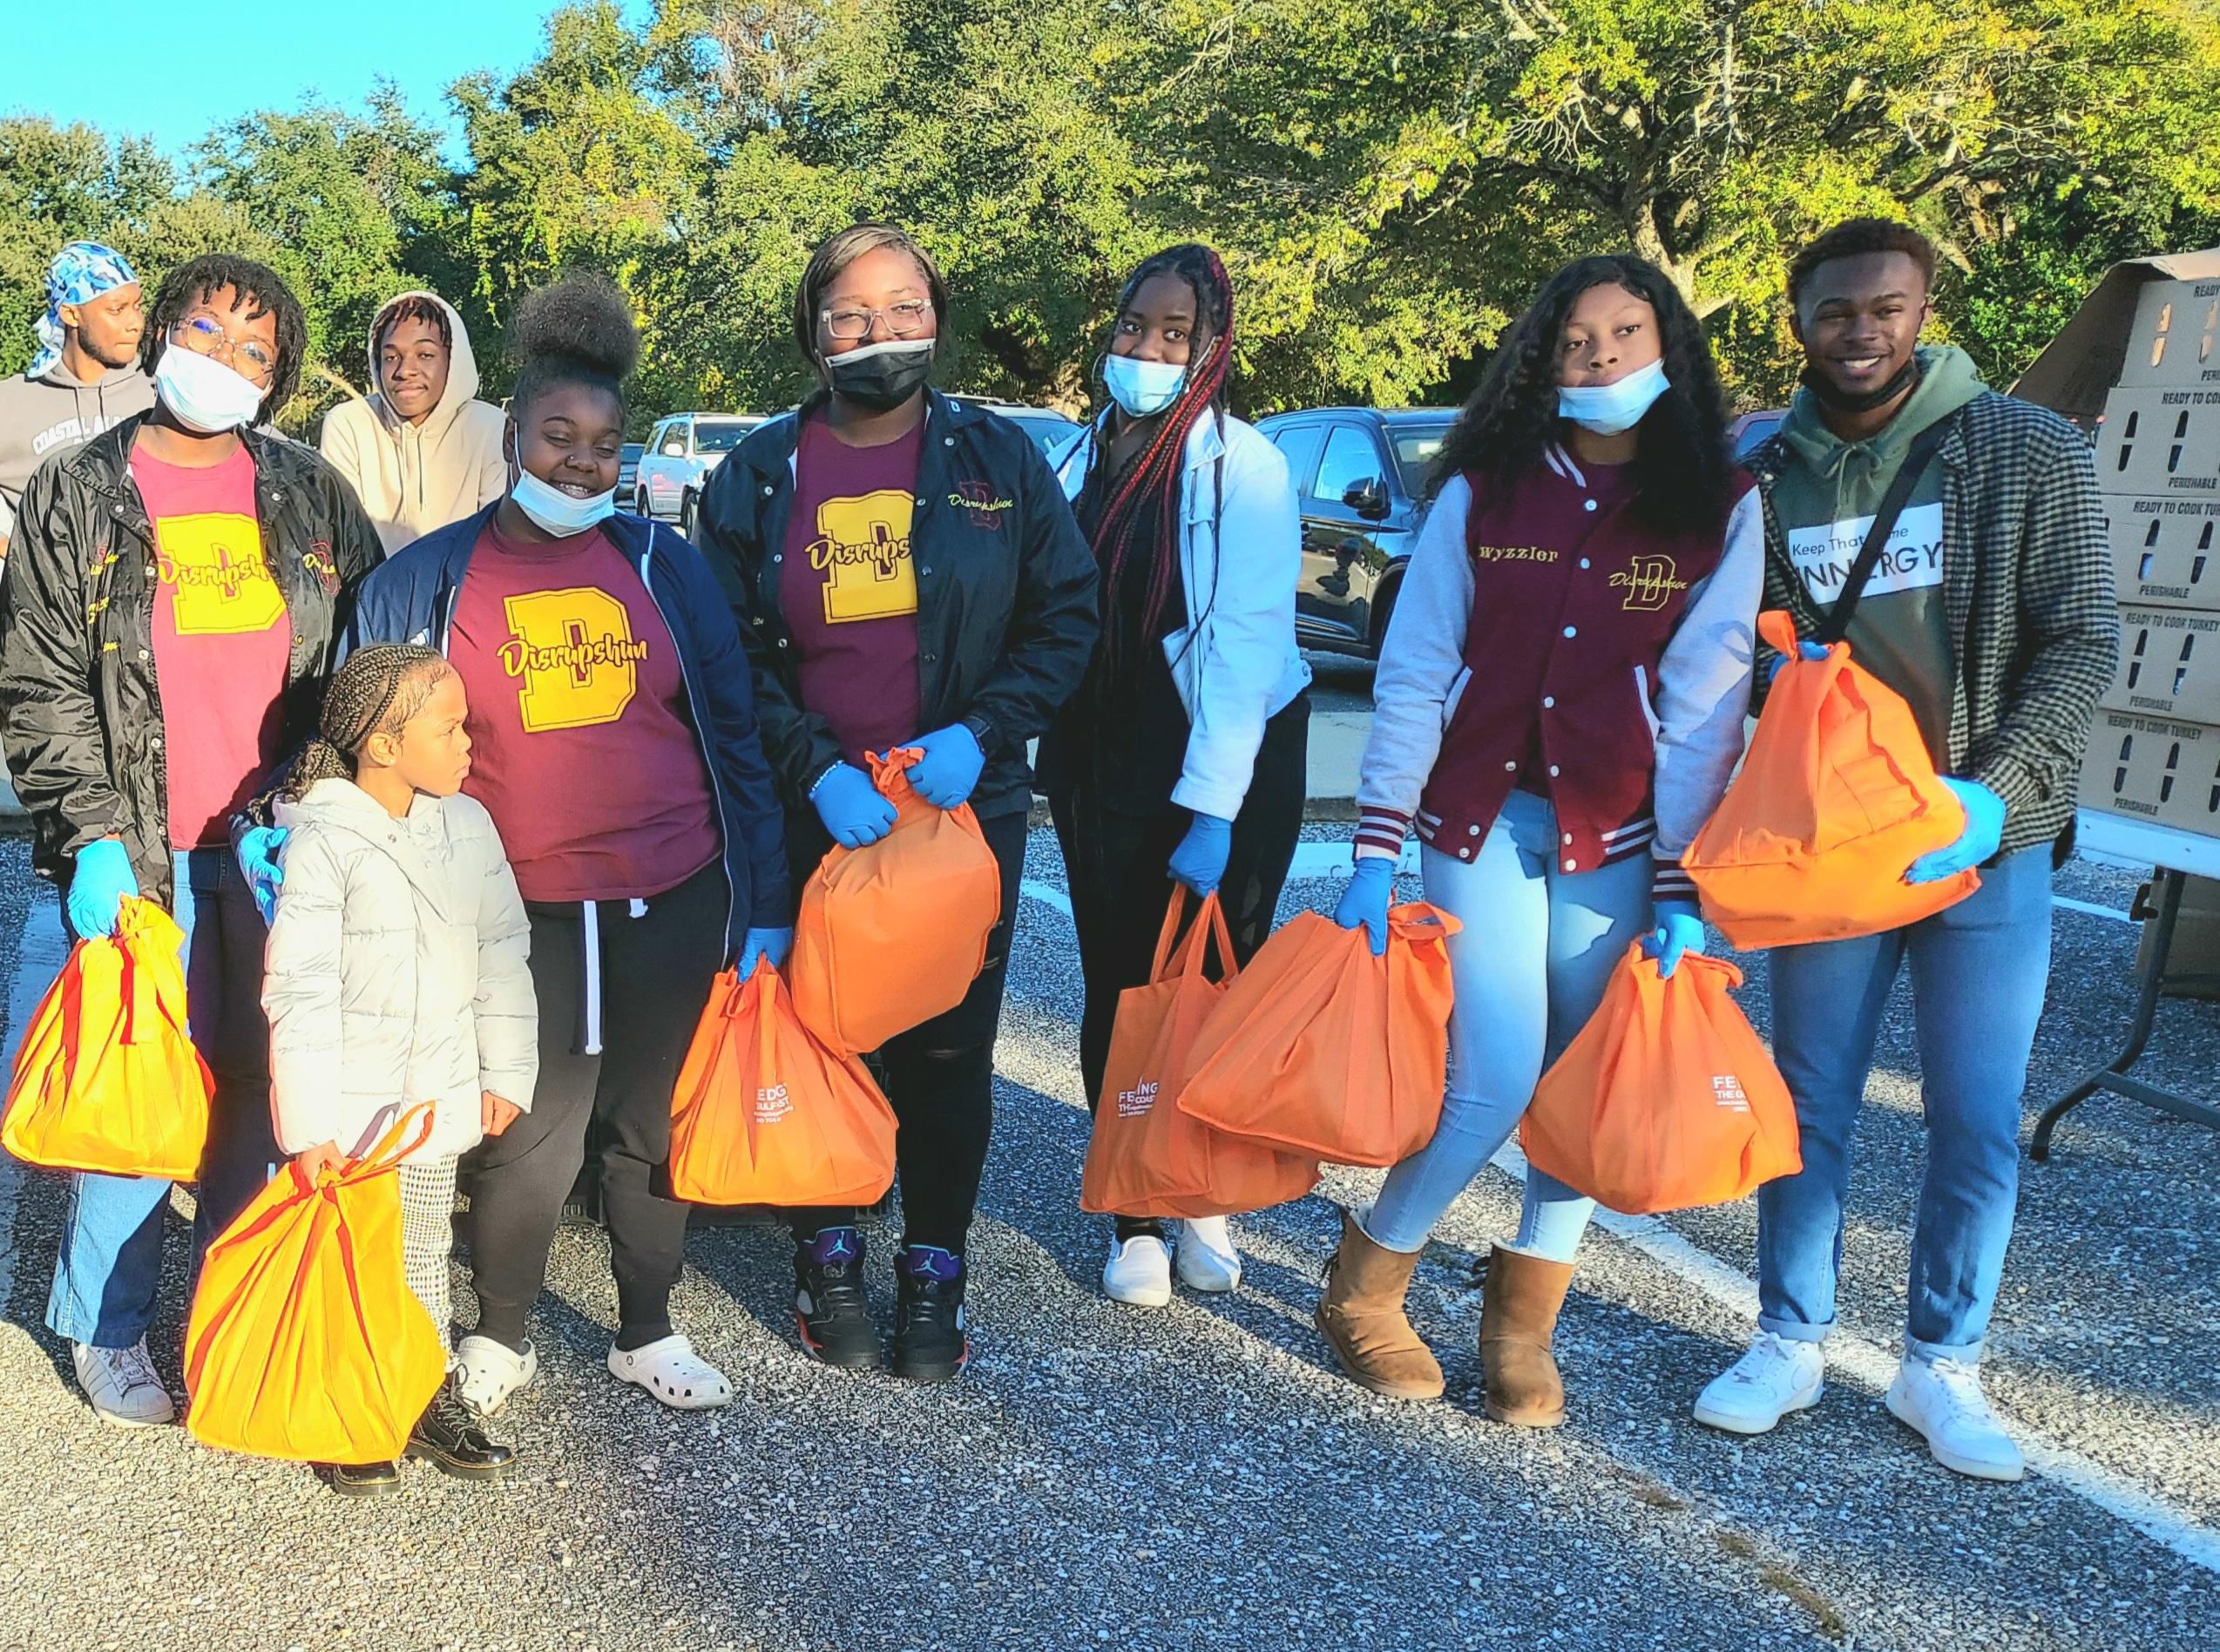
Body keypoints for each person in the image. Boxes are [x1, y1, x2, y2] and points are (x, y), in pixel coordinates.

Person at [1691, 220, 2116, 1482]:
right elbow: (1727, 652)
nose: (1862, 330)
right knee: (1808, 1099)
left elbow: (2084, 641)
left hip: (1979, 843)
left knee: (1976, 1113)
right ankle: (1789, 1337)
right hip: (1829, 851)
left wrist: (1999, 794)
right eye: (1836, 311)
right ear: (1797, 318)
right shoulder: (1760, 473)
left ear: (1922, 309)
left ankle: (1944, 1366)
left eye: (1887, 307)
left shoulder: (2026, 448)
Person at [1319, 254, 1762, 1424]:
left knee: (1582, 1087)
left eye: (1627, 334)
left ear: (1669, 348)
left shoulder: (1719, 503)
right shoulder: (1485, 489)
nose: (1602, 358)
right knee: (1498, 1075)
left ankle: (1523, 1323)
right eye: (1576, 340)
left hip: (1619, 840)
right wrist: (1375, 849)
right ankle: (1367, 1282)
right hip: (1481, 822)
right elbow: (1414, 671)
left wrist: (1683, 883)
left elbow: (1708, 704)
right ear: (1540, 358)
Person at [346, 272, 791, 1418]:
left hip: (669, 898)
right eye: (558, 437)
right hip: (514, 917)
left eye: (604, 444)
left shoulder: (660, 564)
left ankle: (646, 1330)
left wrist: (764, 904)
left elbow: (732, 736)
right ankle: (502, 1335)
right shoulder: (426, 580)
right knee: (528, 1135)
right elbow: (368, 758)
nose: (582, 464)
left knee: (651, 1129)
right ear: (511, 441)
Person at [695, 222, 1098, 1382]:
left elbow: (1066, 616)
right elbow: (723, 657)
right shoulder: (757, 475)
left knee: (946, 1042)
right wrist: (810, 762)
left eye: (904, 308)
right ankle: (826, 1252)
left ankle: (935, 1262)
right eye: (852, 315)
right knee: (823, 1032)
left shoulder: (998, 463)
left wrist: (986, 733)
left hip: (955, 813)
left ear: (939, 317)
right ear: (814, 333)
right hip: (813, 804)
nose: (880, 334)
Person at [0, 253, 384, 1427]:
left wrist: (314, 797)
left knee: (258, 1095)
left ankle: (228, 1306)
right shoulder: (79, 489)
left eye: (253, 350)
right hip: (137, 854)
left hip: (270, 849)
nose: (223, 360)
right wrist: (91, 834)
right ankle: (107, 1330)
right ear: (162, 333)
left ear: (279, 381)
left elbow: (361, 671)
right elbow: (38, 678)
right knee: (137, 1104)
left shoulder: (312, 493)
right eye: (206, 331)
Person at [1040, 243, 1310, 1307]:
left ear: (1211, 349)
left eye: (1172, 335)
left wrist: (1209, 812)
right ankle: (1133, 1209)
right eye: (1130, 327)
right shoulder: (1072, 460)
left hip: (1226, 752)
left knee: (1215, 976)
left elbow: (1241, 650)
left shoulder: (1242, 467)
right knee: (1120, 980)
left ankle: (1203, 1190)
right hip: (1099, 755)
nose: (1145, 350)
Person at [261, 643, 537, 1495]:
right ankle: (350, 1400)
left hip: (435, 1094)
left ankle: (421, 1390)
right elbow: (298, 990)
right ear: (381, 744)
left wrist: (507, 1069)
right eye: (447, 727)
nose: (467, 743)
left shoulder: (468, 825)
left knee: (421, 1247)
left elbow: (502, 948)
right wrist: (308, 1127)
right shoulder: (323, 844)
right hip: (349, 1113)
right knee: (354, 1258)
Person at [0, 242, 157, 564]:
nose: (135, 323)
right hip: (48, 605)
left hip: (152, 598)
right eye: (117, 309)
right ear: (71, 313)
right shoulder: (12, 403)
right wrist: (14, 553)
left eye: (137, 306)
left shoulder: (161, 392)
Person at [320, 291, 508, 555]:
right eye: (391, 357)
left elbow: (495, 541)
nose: (405, 371)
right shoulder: (350, 424)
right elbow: (343, 537)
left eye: (425, 355)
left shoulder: (491, 428)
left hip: (464, 589)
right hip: (371, 590)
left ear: (453, 361)